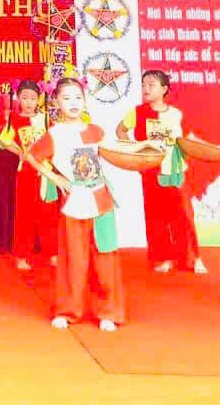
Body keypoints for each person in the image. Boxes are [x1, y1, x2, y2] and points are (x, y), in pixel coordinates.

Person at [27, 78, 155, 332]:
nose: (73, 103)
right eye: (66, 98)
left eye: (78, 97)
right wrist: (54, 177)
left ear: (84, 100)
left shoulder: (94, 130)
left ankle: (108, 311)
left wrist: (143, 144)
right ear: (56, 102)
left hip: (101, 201)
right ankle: (68, 311)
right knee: (72, 259)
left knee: (105, 258)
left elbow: (116, 148)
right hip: (74, 202)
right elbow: (32, 155)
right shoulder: (55, 134)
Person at [116, 70, 206, 274]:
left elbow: (189, 138)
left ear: (164, 89)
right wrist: (136, 151)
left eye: (151, 85)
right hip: (150, 171)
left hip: (174, 171)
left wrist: (214, 148)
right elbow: (120, 130)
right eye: (143, 85)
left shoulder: (176, 114)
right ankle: (165, 258)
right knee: (157, 216)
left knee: (183, 215)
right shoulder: (137, 112)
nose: (146, 89)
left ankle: (194, 258)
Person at [0, 80, 58, 271]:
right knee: (24, 215)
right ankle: (22, 256)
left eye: (33, 98)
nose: (29, 102)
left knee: (49, 214)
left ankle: (53, 253)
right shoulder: (14, 120)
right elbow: (4, 140)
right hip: (25, 172)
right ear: (18, 98)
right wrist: (19, 152)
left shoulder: (46, 119)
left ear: (38, 99)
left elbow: (56, 140)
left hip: (46, 173)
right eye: (24, 98)